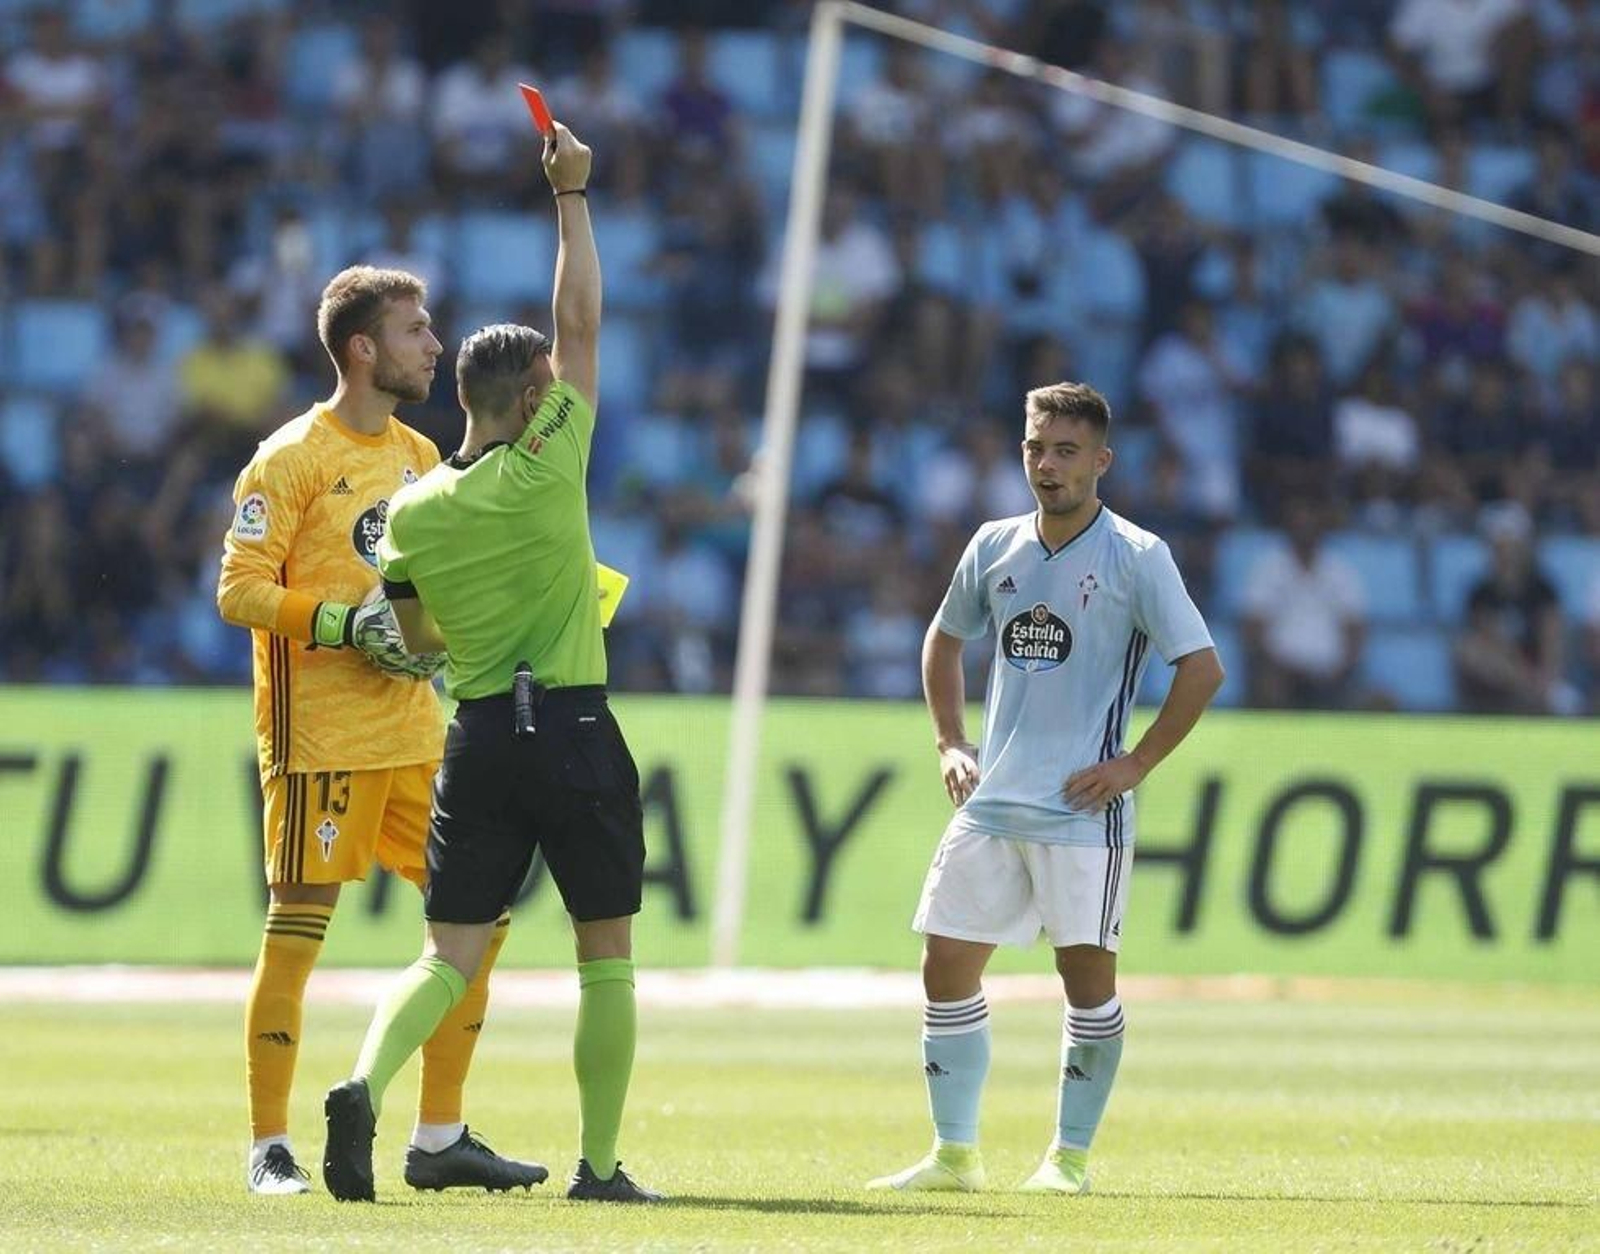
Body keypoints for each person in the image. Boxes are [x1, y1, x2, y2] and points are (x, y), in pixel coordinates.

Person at [322, 120, 661, 1205]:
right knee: (603, 957)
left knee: (445, 957)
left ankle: (363, 1082)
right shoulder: (549, 465)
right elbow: (582, 318)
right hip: (569, 723)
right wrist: (572, 196)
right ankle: (600, 1167)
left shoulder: (412, 512)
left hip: (473, 739)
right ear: (532, 401)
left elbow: (417, 643)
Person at [216, 265, 543, 1196]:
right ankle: (268, 1146)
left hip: (417, 735)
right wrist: (342, 623)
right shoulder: (287, 461)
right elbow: (237, 588)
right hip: (321, 736)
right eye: (415, 331)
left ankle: (439, 1137)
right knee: (297, 932)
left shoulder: (420, 456)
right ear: (363, 350)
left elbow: (433, 586)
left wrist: (444, 637)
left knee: (480, 921)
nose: (435, 346)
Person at [866, 382, 1224, 1195]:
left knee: (1085, 982)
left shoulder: (1138, 556)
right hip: (991, 803)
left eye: (1066, 451)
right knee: (945, 967)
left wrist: (1134, 763)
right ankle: (955, 1154)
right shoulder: (993, 544)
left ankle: (1069, 1158)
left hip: (1080, 812)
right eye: (1035, 447)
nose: (1047, 464)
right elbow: (943, 640)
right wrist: (951, 742)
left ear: (1102, 462)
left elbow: (1202, 668)